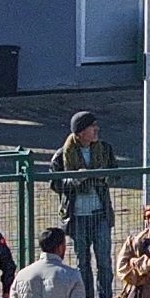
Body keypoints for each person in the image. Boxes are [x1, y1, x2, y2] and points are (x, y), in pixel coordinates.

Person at [56, 111, 117, 281]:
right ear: (81, 132)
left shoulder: (105, 149)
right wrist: (75, 180)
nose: (96, 129)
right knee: (82, 263)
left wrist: (103, 176)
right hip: (77, 216)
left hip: (100, 214)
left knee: (104, 261)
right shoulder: (63, 154)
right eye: (92, 126)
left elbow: (116, 174)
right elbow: (55, 183)